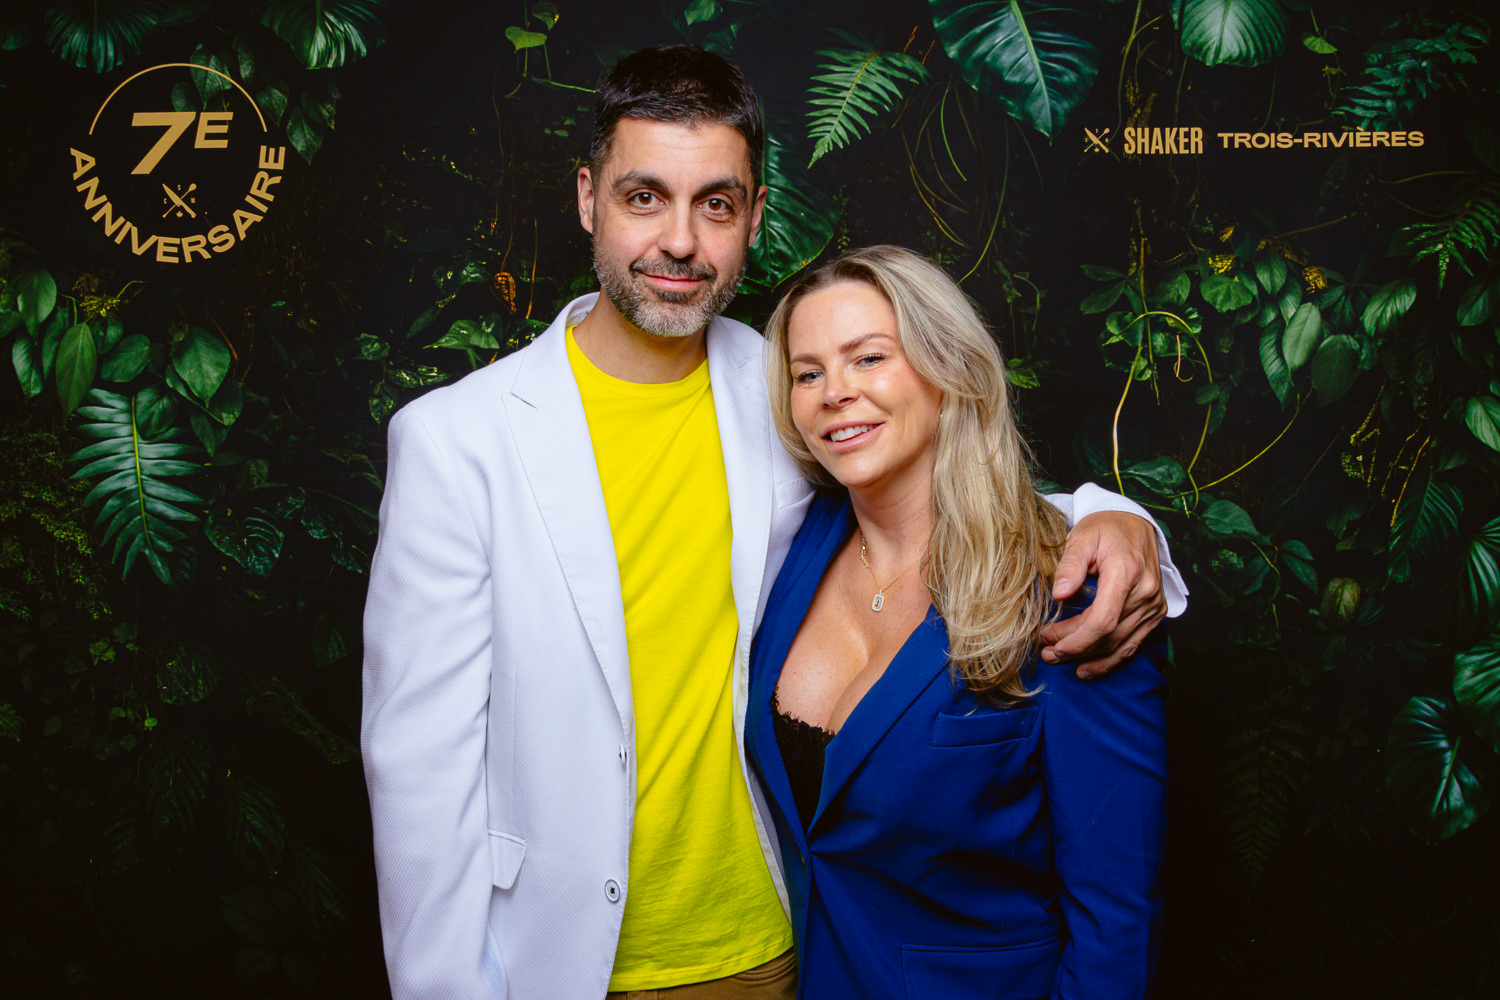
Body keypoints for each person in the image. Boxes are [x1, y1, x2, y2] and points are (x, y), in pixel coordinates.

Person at [360, 47, 1184, 1000]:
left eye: (715, 204)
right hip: (556, 961)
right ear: (588, 199)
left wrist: (1117, 521)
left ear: (754, 216)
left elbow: (945, 478)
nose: (679, 241)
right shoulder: (457, 441)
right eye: (643, 197)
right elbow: (417, 771)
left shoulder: (781, 389)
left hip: (776, 951)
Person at [744, 245, 1169, 1000]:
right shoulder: (790, 546)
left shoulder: (1071, 590)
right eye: (808, 374)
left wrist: (1127, 524)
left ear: (949, 371)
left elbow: (1116, 921)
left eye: (869, 358)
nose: (835, 392)